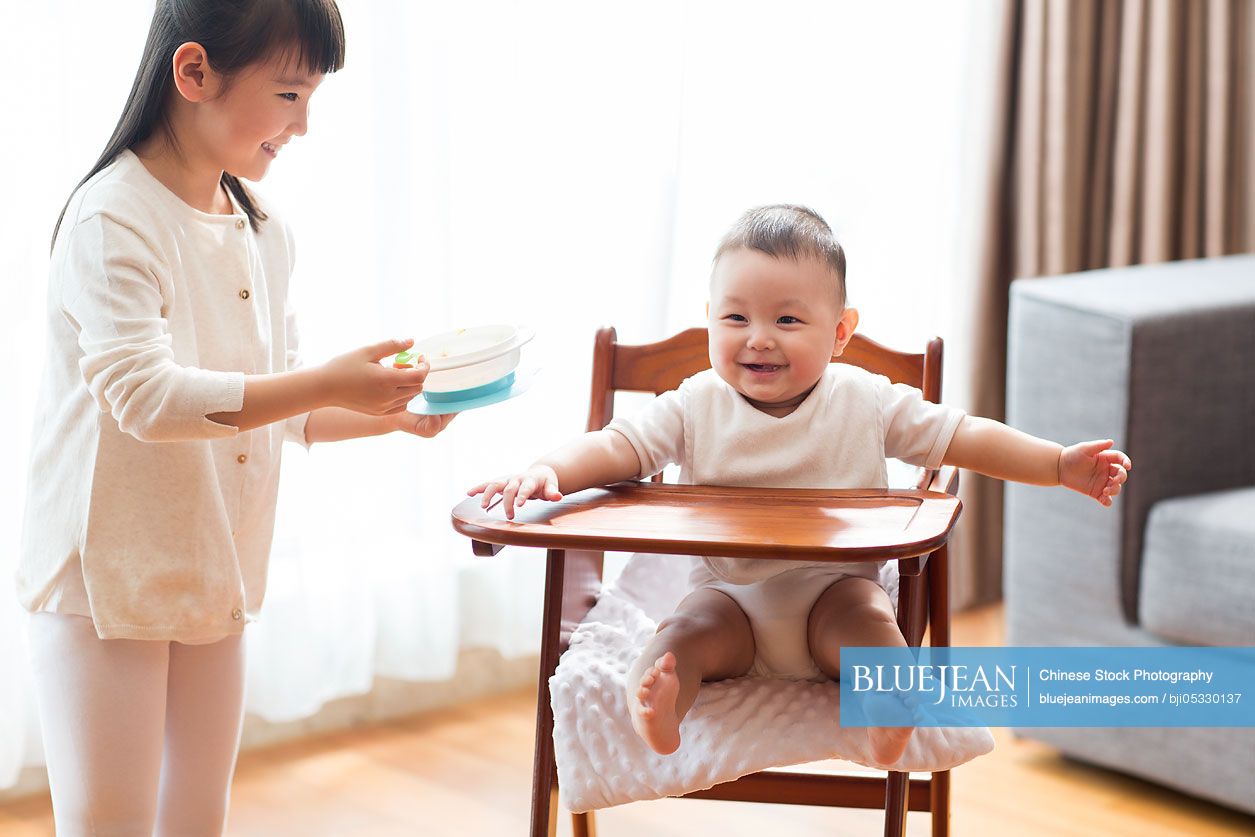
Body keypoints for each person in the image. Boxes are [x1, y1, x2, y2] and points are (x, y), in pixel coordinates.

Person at [469, 204, 1131, 765]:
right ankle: (661, 702)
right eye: (734, 319)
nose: (758, 339)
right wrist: (550, 468)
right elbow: (618, 446)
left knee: (871, 624)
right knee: (681, 634)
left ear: (840, 331)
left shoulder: (866, 403)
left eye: (787, 320)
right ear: (708, 320)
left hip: (832, 595)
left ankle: (885, 703)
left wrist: (1055, 464)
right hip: (728, 598)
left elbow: (964, 437)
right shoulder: (695, 402)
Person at [16, 1, 453, 832]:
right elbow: (147, 397)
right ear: (193, 74)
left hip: (213, 562)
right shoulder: (112, 219)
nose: (305, 123)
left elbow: (276, 409)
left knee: (197, 819)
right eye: (290, 95)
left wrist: (392, 411)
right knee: (109, 823)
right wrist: (326, 381)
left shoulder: (262, 226)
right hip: (102, 578)